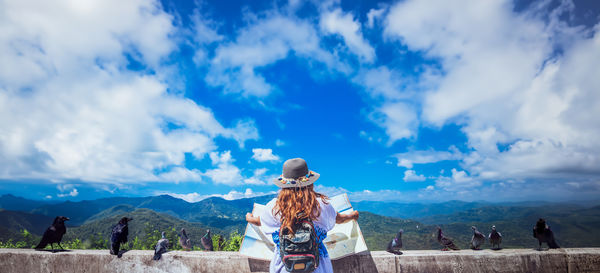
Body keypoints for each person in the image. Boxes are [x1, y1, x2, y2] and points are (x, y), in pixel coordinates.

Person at [246, 158, 359, 273]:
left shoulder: (274, 206)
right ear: (310, 182)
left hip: (284, 266)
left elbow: (258, 221)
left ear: (283, 185)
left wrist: (248, 217)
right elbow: (339, 219)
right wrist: (352, 215)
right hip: (316, 266)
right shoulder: (321, 205)